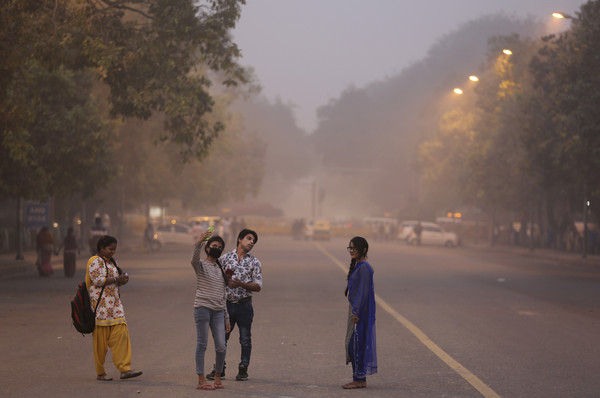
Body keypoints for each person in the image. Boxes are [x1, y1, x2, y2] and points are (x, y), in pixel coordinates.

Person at [207, 228, 262, 382]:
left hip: (244, 306)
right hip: (226, 306)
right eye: (249, 238)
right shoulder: (224, 259)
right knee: (222, 338)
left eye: (254, 241)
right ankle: (220, 369)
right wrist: (226, 281)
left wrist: (241, 284)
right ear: (239, 239)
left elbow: (257, 286)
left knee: (245, 339)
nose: (251, 242)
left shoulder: (254, 262)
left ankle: (243, 369)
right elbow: (214, 276)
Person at [86, 235, 142, 381]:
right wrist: (117, 279)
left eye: (114, 249)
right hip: (100, 310)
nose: (113, 252)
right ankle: (100, 372)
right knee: (100, 344)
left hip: (115, 307)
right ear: (101, 248)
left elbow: (113, 281)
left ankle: (125, 369)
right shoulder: (94, 261)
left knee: (122, 337)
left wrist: (122, 280)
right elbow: (97, 280)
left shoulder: (112, 262)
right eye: (110, 249)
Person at [190, 230, 231, 390]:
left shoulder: (222, 270)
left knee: (221, 346)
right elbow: (193, 259)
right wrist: (199, 242)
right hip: (202, 309)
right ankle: (201, 380)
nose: (217, 249)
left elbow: (223, 294)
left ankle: (217, 376)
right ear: (207, 248)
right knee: (202, 344)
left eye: (220, 247)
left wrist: (226, 317)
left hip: (219, 312)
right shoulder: (200, 265)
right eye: (214, 246)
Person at [343, 236, 377, 389]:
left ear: (363, 249)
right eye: (350, 248)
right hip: (355, 309)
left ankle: (359, 379)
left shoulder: (364, 268)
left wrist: (356, 312)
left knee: (355, 344)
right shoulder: (359, 265)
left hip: (360, 311)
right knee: (353, 343)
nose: (351, 251)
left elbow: (363, 293)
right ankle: (358, 377)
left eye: (354, 248)